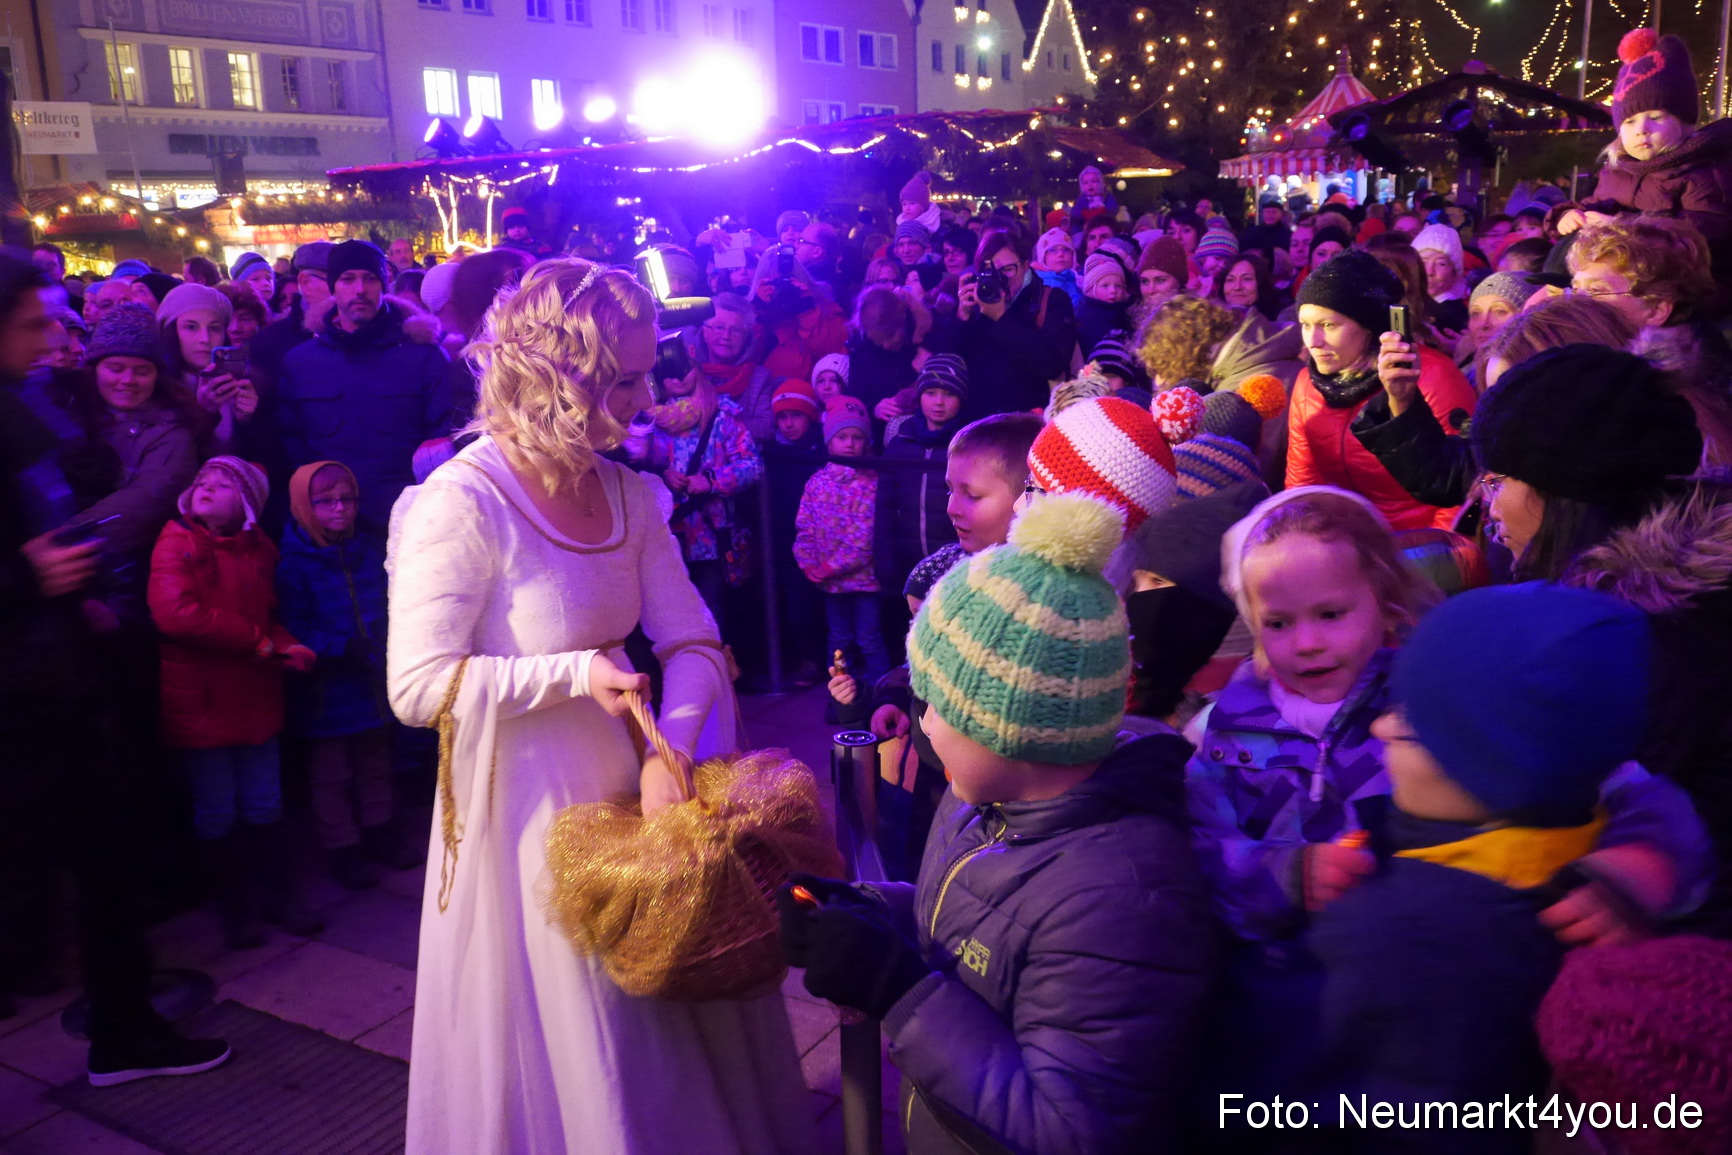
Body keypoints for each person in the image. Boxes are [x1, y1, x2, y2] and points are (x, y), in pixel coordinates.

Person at [387, 258, 812, 1152]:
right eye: (625, 380)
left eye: (649, 374)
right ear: (556, 374)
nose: (647, 398)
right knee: (584, 1033)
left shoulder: (625, 489)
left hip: (636, 788)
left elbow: (693, 640)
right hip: (528, 811)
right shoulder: (461, 501)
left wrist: (670, 753)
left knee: (671, 996)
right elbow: (417, 685)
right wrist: (572, 673)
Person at [1190, 486, 1711, 1124]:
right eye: (1278, 623)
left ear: (1383, 602)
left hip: (1458, 970)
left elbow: (1626, 783)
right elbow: (1200, 845)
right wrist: (1283, 874)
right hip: (1301, 989)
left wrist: (1641, 864)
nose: (1307, 643)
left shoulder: (1438, 695)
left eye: (1330, 613)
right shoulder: (1226, 731)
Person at [781, 489, 1215, 1154]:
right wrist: (868, 912)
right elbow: (972, 915)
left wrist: (897, 989)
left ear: (1011, 728)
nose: (925, 724)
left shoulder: (1120, 900)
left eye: (938, 705)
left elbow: (1074, 1131)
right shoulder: (985, 795)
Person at [1312, 584, 1661, 1147]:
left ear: (1483, 762)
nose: (1380, 728)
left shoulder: (1407, 935)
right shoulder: (1605, 854)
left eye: (1411, 722)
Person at [0, 253, 233, 1079]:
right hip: (23, 692)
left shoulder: (30, 404)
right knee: (67, 864)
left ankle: (125, 1029)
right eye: (32, 323)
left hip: (59, 676)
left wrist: (73, 583)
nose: (47, 338)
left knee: (105, 859)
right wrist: (28, 575)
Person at [1474, 346, 1732, 930]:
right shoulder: (1635, 606)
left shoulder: (1662, 634)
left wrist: (1635, 878)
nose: (1490, 509)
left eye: (1498, 482)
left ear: (1562, 487)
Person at [148, 457, 323, 949]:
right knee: (216, 809)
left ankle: (278, 897)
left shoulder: (259, 548)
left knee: (265, 801)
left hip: (254, 692)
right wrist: (256, 642)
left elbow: (269, 616)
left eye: (222, 484)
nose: (206, 486)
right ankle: (236, 909)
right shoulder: (176, 541)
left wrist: (286, 645)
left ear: (246, 502)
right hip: (201, 699)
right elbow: (176, 613)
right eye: (201, 479)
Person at [277, 460, 416, 892]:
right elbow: (293, 627)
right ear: (304, 505)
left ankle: (380, 831)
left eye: (347, 499)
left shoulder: (369, 550)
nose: (339, 508)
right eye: (325, 501)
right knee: (331, 774)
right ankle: (342, 847)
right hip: (327, 689)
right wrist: (340, 647)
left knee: (376, 761)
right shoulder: (293, 564)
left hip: (371, 680)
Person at [1287, 250, 1478, 530]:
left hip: (1418, 542)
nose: (1313, 341)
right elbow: (1303, 484)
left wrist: (1433, 552)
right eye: (1306, 325)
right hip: (1341, 543)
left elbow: (1461, 489)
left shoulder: (1430, 375)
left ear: (1368, 327)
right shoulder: (1307, 383)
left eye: (1328, 325)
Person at [276, 240, 452, 533]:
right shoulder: (301, 362)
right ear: (333, 287)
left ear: (384, 285)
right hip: (333, 529)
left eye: (370, 278)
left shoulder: (424, 357)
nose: (360, 289)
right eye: (348, 279)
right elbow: (291, 448)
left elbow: (444, 438)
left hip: (408, 523)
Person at [1591, 29, 1732, 278]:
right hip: (1617, 276)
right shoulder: (1616, 172)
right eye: (1630, 122)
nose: (1641, 129)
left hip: (1682, 286)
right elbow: (1593, 206)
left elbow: (1700, 239)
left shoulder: (1706, 172)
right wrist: (1568, 215)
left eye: (1655, 117)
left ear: (1684, 122)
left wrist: (1620, 228)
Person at [635, 361, 764, 631]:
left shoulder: (722, 417)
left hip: (710, 535)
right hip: (665, 535)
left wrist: (711, 480)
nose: (678, 377)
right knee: (667, 615)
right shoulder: (645, 420)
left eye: (685, 369)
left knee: (710, 611)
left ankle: (715, 657)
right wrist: (662, 474)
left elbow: (753, 465)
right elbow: (632, 467)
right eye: (669, 372)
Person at [795, 400, 888, 686]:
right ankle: (840, 694)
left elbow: (864, 538)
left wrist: (827, 567)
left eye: (857, 437)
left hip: (865, 581)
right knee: (839, 640)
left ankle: (881, 693)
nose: (850, 443)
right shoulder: (817, 482)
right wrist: (807, 562)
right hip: (832, 583)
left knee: (869, 639)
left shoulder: (871, 483)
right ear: (830, 441)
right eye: (842, 437)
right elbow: (805, 526)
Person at [939, 230, 1075, 419]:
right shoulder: (976, 301)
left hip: (1029, 420)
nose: (1000, 278)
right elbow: (949, 362)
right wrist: (963, 314)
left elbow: (1052, 364)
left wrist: (1001, 317)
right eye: (989, 270)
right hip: (978, 419)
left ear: (1025, 266)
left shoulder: (1050, 299)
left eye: (1008, 269)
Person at [875, 356, 965, 595]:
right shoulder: (899, 444)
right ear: (920, 396)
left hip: (956, 567)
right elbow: (884, 509)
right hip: (906, 566)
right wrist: (885, 564)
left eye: (949, 394)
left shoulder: (968, 446)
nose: (939, 402)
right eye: (931, 393)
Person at [158, 282, 256, 453]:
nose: (205, 338)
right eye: (191, 327)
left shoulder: (241, 381)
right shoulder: (157, 388)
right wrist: (204, 413)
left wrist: (247, 421)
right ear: (171, 333)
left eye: (214, 328)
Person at [683, 290, 778, 445]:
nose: (726, 336)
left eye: (735, 330)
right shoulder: (687, 369)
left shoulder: (760, 378)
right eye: (719, 328)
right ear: (705, 332)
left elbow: (765, 427)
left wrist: (716, 427)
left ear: (746, 337)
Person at [1076, 252, 1134, 360]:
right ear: (1091, 289)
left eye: (1118, 286)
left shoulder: (1124, 312)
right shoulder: (1088, 317)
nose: (1113, 291)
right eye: (1105, 286)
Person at [1033, 227, 1083, 309]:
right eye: (1053, 250)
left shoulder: (1078, 279)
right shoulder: (1039, 283)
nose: (1060, 254)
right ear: (1043, 256)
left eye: (1066, 249)